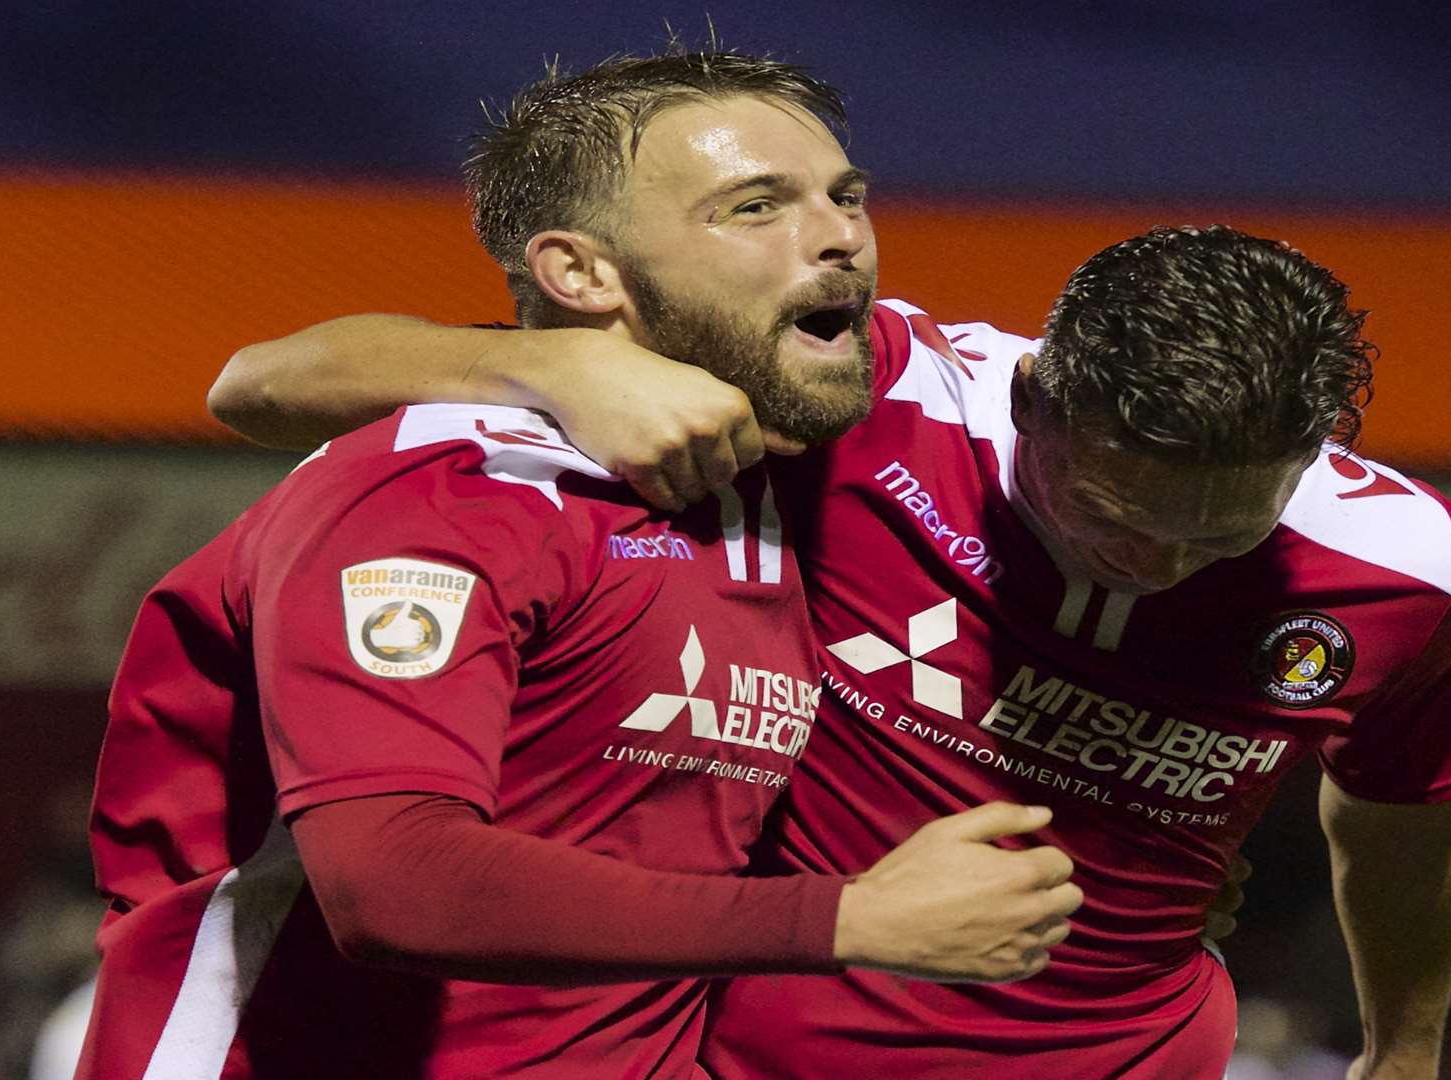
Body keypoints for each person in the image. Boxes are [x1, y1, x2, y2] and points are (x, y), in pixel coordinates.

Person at [216, 65, 1451, 1080]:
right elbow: (263, 382)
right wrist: (548, 365)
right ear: (1033, 396)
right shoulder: (868, 395)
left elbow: (1412, 805)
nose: (1157, 566)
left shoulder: (1406, 568)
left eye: (1219, 537)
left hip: (1136, 1058)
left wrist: (1405, 1051)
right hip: (741, 1052)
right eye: (1110, 517)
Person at [79, 52, 1090, 1080]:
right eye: (753, 207)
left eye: (847, 197)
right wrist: (853, 918)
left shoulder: (782, 478)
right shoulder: (448, 493)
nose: (839, 237)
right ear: (582, 274)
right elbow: (398, 885)